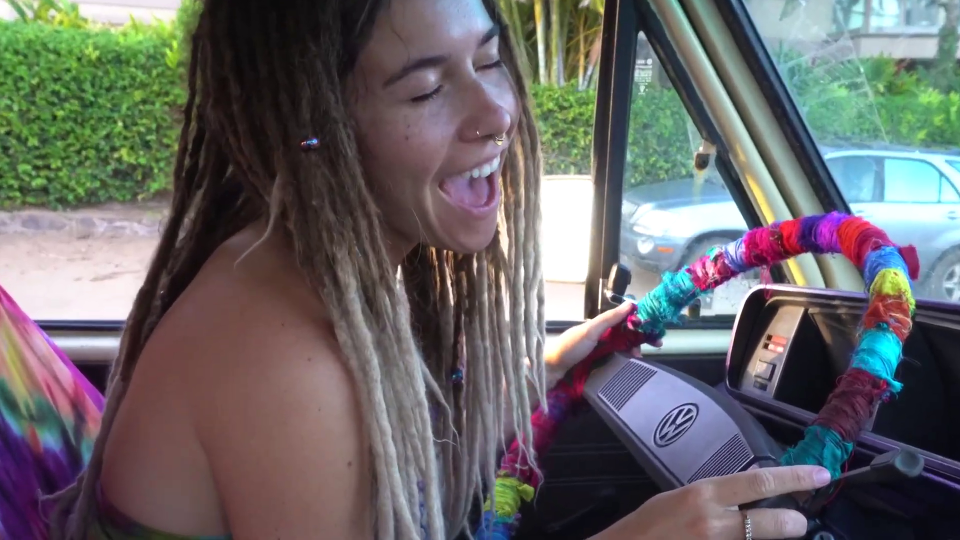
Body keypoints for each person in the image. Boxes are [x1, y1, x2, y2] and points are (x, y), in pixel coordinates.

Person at [41, 0, 831, 538]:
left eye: (489, 61)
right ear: (317, 131)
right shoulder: (282, 360)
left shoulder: (310, 279)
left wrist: (542, 370)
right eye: (424, 89)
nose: (496, 113)